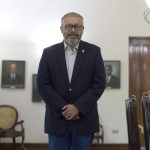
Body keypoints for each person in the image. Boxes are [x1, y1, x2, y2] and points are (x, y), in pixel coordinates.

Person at [37, 12, 106, 150]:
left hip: (84, 120)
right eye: (69, 26)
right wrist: (64, 108)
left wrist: (78, 107)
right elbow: (42, 84)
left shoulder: (94, 52)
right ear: (61, 28)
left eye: (77, 26)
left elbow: (99, 84)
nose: (73, 30)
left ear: (83, 29)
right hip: (57, 120)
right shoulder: (48, 53)